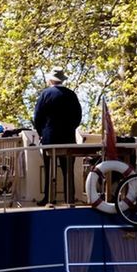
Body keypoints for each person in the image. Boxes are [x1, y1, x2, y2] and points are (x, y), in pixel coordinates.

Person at [32, 68, 82, 204]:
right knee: (68, 169)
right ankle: (69, 198)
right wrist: (71, 128)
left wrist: (41, 132)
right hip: (68, 137)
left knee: (49, 169)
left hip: (50, 137)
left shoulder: (45, 94)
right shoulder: (71, 95)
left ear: (50, 80)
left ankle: (48, 198)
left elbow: (37, 117)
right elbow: (78, 116)